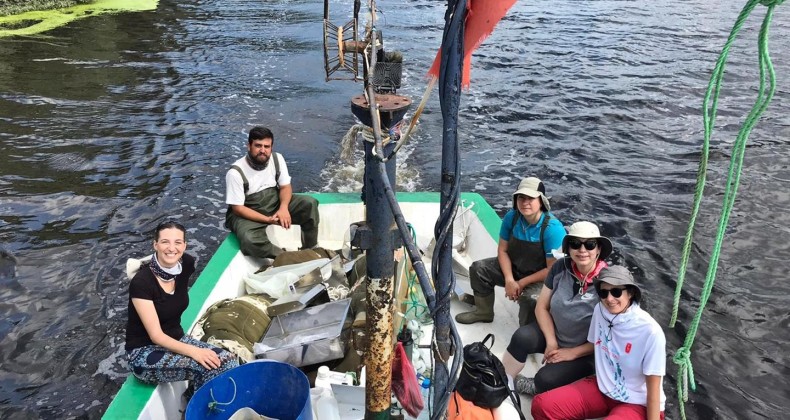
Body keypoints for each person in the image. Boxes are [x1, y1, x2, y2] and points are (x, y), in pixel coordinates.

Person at [531, 265, 666, 420]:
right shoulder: (600, 310)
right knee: (542, 405)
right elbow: (597, 342)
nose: (609, 299)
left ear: (630, 293)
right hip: (603, 389)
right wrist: (571, 353)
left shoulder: (650, 332)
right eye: (603, 292)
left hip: (638, 404)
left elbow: (654, 390)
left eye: (616, 292)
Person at [501, 221, 613, 395]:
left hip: (585, 351)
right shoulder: (560, 267)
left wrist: (572, 353)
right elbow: (542, 307)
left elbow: (609, 337)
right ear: (568, 249)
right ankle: (503, 381)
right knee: (521, 337)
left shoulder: (608, 284)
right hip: (555, 333)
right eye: (576, 244)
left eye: (589, 244)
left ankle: (533, 386)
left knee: (545, 379)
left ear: (598, 249)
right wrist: (551, 341)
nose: (582, 250)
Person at [126, 220, 239, 391]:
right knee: (207, 366)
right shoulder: (141, 282)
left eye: (177, 242)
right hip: (144, 353)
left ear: (184, 245)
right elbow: (156, 336)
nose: (172, 248)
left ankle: (195, 398)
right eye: (165, 242)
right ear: (155, 244)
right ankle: (201, 412)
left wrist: (194, 350)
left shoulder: (186, 264)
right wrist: (194, 351)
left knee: (229, 360)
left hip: (175, 337)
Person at [455, 176, 565, 326]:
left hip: (540, 277)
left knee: (532, 300)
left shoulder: (553, 229)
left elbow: (552, 269)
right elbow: (503, 250)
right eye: (521, 197)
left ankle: (526, 334)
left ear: (541, 201)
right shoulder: (511, 218)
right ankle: (483, 312)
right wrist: (509, 280)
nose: (525, 202)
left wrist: (521, 283)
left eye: (530, 198)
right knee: (479, 269)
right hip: (515, 269)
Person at [225, 126, 320, 259]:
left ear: (271, 147)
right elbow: (238, 208)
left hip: (274, 204)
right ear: (249, 146)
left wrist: (283, 208)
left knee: (309, 204)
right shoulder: (235, 173)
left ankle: (310, 249)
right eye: (258, 145)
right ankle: (286, 257)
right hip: (247, 212)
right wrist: (267, 220)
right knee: (249, 240)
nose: (262, 150)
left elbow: (285, 187)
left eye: (267, 146)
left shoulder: (277, 159)